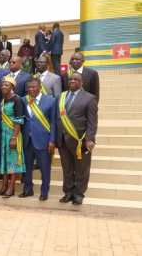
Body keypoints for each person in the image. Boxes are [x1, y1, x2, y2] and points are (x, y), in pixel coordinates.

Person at [57, 72, 98, 205]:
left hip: (80, 139)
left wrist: (90, 139)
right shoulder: (61, 97)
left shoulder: (90, 98)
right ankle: (68, 192)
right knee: (67, 168)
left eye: (76, 79)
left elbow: (92, 121)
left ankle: (79, 194)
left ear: (82, 82)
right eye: (71, 79)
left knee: (81, 168)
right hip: (63, 139)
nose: (72, 81)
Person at [20, 78, 57, 201]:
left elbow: (53, 122)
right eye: (29, 87)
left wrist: (52, 140)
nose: (31, 89)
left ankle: (44, 191)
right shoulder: (24, 100)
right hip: (27, 139)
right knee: (27, 167)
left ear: (40, 87)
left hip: (43, 140)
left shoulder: (51, 101)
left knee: (45, 167)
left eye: (34, 87)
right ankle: (28, 189)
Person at [0, 77, 25, 198]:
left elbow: (19, 120)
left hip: (13, 133)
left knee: (13, 161)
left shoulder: (17, 100)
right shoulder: (3, 100)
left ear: (13, 87)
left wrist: (14, 137)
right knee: (4, 160)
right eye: (2, 85)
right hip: (3, 133)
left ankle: (11, 187)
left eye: (6, 85)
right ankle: (4, 185)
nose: (3, 87)